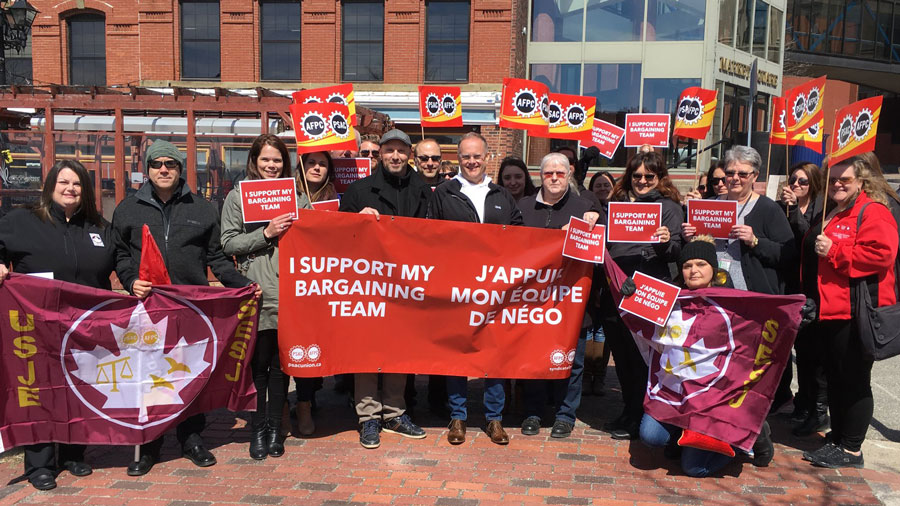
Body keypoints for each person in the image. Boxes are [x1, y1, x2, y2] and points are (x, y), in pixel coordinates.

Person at [112, 139, 253, 476]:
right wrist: (130, 281)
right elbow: (118, 254)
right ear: (147, 170)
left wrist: (243, 287)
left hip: (190, 310)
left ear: (179, 170)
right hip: (147, 311)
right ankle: (150, 444)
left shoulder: (202, 209)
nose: (164, 169)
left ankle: (191, 438)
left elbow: (216, 257)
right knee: (149, 377)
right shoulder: (127, 209)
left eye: (170, 164)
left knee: (187, 375)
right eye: (157, 164)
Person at [0, 160, 115, 491]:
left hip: (85, 325)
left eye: (77, 184)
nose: (70, 188)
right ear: (50, 185)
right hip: (36, 324)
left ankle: (73, 453)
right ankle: (40, 462)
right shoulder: (22, 220)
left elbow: (121, 259)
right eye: (64, 182)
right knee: (41, 391)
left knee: (80, 388)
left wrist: (134, 279)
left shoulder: (98, 227)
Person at [638, 236, 775, 476]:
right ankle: (682, 438)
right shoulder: (672, 299)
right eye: (687, 265)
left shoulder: (734, 303)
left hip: (715, 397)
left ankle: (746, 435)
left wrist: (795, 317)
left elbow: (765, 327)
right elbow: (640, 316)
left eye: (701, 264)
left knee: (695, 468)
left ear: (714, 268)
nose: (693, 270)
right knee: (650, 437)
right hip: (677, 391)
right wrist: (629, 295)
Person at [800, 154, 898, 469]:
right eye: (835, 179)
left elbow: (881, 255)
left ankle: (852, 449)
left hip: (856, 312)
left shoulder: (873, 211)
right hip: (830, 312)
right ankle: (839, 438)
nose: (838, 184)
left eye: (846, 179)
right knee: (837, 379)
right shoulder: (836, 210)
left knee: (854, 380)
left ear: (861, 181)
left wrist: (835, 251)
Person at [427, 131, 523, 445]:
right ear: (458, 158)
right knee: (458, 354)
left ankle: (494, 418)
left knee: (493, 355)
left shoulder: (501, 195)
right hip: (457, 289)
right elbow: (430, 235)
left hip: (495, 290)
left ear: (487, 158)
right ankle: (458, 417)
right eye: (466, 156)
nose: (471, 162)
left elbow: (521, 235)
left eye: (477, 156)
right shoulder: (444, 192)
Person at [221, 135, 312, 459]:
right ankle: (257, 429)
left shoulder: (297, 197)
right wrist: (265, 233)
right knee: (258, 367)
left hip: (290, 292)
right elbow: (228, 243)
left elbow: (315, 237)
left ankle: (276, 429)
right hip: (257, 291)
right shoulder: (237, 197)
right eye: (265, 160)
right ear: (254, 161)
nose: (271, 166)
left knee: (280, 366)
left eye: (276, 160)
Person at [338, 128, 429, 449]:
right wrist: (354, 220)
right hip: (368, 286)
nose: (395, 156)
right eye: (389, 150)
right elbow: (336, 239)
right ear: (379, 154)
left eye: (401, 151)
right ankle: (368, 418)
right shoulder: (358, 190)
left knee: (399, 352)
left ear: (409, 155)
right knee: (366, 352)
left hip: (407, 285)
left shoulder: (423, 190)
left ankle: (394, 412)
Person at [600, 150, 683, 440]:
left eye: (649, 176)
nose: (642, 181)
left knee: (643, 356)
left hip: (648, 290)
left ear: (660, 178)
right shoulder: (616, 204)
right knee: (621, 355)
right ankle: (628, 408)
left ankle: (642, 414)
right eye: (637, 176)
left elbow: (677, 251)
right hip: (616, 287)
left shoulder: (669, 207)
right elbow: (604, 243)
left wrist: (663, 242)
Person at [517, 152, 600, 438]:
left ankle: (566, 415)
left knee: (572, 361)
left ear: (569, 176)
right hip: (533, 301)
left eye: (560, 174)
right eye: (548, 173)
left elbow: (601, 251)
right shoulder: (523, 207)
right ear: (541, 175)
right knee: (534, 357)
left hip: (570, 301)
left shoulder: (585, 208)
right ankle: (533, 412)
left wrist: (593, 221)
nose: (554, 178)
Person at [682, 146, 794, 295]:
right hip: (711, 294)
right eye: (730, 173)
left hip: (749, 295)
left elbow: (788, 255)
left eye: (742, 174)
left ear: (755, 176)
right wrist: (689, 239)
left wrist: (755, 241)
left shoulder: (768, 209)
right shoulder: (707, 205)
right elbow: (689, 255)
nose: (735, 178)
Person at [778, 162, 828, 435]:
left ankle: (818, 410)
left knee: (814, 353)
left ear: (814, 184)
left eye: (803, 181)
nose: (796, 185)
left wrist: (796, 210)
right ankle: (803, 402)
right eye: (793, 180)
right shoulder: (784, 206)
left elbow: (806, 239)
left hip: (814, 288)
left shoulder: (822, 210)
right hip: (792, 285)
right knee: (800, 351)